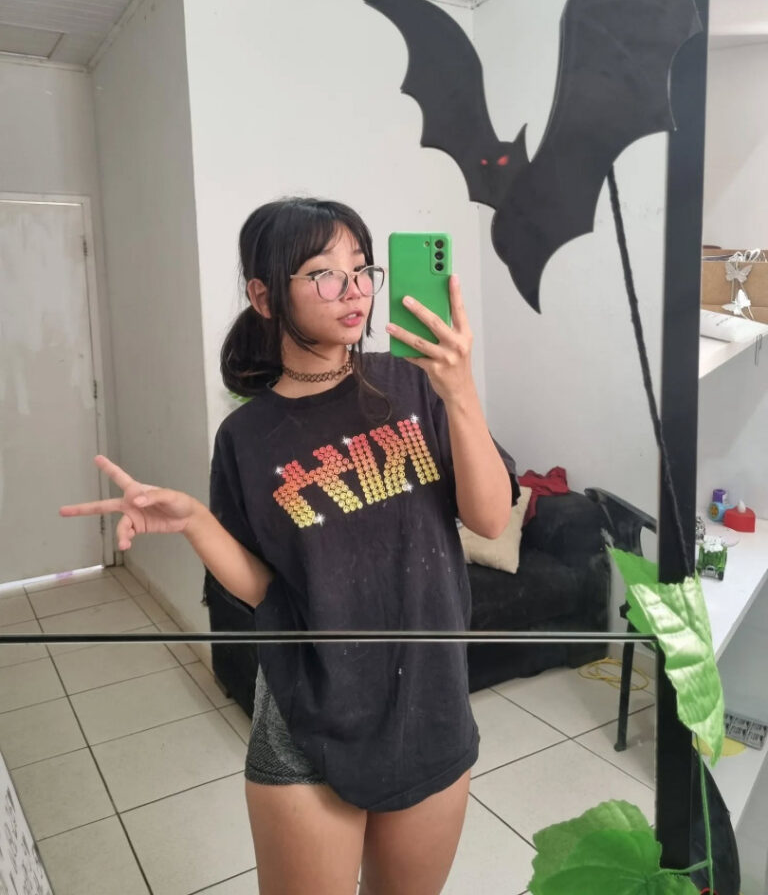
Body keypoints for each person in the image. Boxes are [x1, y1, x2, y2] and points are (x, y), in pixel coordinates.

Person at [60, 196, 516, 895]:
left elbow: (489, 519)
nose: (354, 289)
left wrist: (460, 391)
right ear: (264, 296)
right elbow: (262, 589)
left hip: (429, 704)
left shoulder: (413, 384)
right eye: (324, 273)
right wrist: (194, 521)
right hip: (309, 712)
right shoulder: (247, 438)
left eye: (362, 269)